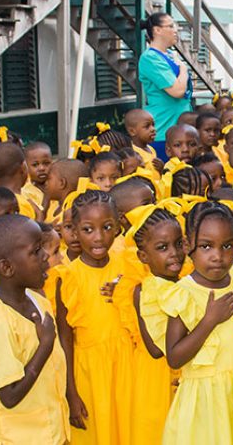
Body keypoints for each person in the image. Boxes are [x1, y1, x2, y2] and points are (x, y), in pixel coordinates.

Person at [162, 201, 233, 445]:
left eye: (226, 246)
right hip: (207, 404)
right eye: (206, 246)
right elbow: (174, 357)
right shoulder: (184, 293)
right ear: (187, 246)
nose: (218, 256)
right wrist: (209, 320)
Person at [0, 215, 69, 444]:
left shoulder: (37, 300)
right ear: (6, 267)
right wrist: (45, 346)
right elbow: (10, 395)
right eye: (36, 251)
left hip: (47, 431)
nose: (46, 255)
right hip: (13, 437)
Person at [56, 190, 132, 444]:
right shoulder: (68, 277)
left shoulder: (128, 266)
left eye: (107, 227)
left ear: (118, 226)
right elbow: (65, 339)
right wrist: (71, 393)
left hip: (128, 367)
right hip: (89, 373)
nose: (99, 237)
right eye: (88, 229)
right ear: (74, 232)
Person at [126, 202, 185, 445]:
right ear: (143, 256)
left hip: (185, 375)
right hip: (156, 377)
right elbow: (155, 348)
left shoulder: (186, 283)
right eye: (162, 247)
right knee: (157, 433)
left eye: (178, 244)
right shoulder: (144, 291)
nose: (174, 253)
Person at [138, 13, 193, 156]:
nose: (175, 30)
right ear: (157, 30)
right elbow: (177, 91)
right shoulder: (150, 58)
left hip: (180, 127)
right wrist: (184, 70)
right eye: (170, 26)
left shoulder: (170, 54)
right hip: (164, 128)